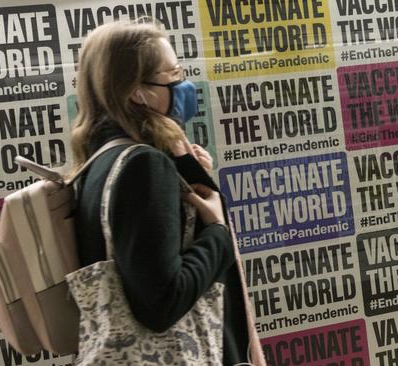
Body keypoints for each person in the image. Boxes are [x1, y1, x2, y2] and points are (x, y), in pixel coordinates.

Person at [69, 20, 264, 365]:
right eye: (171, 74)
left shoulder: (97, 163)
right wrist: (217, 231)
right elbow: (162, 303)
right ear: (135, 92)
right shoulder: (143, 165)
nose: (183, 84)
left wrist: (187, 168)